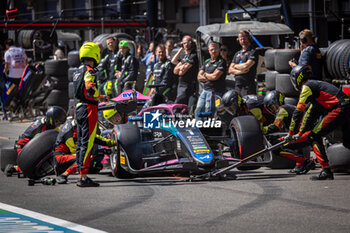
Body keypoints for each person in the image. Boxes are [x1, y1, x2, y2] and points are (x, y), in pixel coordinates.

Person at [284, 65, 350, 180]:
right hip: (346, 107)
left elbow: (298, 112)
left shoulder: (307, 87)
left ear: (297, 78)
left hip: (341, 108)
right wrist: (299, 134)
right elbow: (309, 116)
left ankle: (326, 171)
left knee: (314, 136)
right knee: (348, 142)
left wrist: (290, 132)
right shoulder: (316, 90)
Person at [263, 90, 315, 174]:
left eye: (272, 107)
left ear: (277, 102)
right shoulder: (289, 107)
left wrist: (261, 129)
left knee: (277, 146)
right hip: (306, 133)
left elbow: (275, 127)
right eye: (270, 109)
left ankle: (306, 162)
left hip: (306, 134)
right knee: (290, 140)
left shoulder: (283, 109)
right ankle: (300, 164)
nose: (272, 110)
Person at [4, 106, 66, 176]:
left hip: (39, 147)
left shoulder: (53, 127)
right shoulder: (39, 127)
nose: (59, 125)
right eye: (58, 122)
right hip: (24, 147)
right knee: (28, 170)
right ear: (52, 120)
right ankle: (14, 167)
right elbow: (23, 143)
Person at [53, 119, 116, 184]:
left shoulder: (76, 127)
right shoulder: (70, 134)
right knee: (84, 158)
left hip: (68, 156)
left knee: (95, 160)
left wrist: (114, 143)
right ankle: (63, 175)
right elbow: (76, 151)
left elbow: (95, 138)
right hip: (61, 157)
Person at [74, 42, 101, 187]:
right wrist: (99, 95)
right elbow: (90, 89)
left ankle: (80, 172)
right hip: (89, 108)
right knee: (88, 142)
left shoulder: (77, 70)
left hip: (78, 107)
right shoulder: (89, 71)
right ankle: (83, 177)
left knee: (80, 142)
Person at [195, 41, 226, 118]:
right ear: (209, 50)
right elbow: (199, 77)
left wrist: (205, 74)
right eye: (212, 49)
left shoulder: (221, 62)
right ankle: (199, 128)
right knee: (198, 111)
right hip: (204, 90)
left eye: (215, 49)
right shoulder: (206, 62)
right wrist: (209, 76)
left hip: (214, 92)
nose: (213, 51)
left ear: (219, 50)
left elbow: (215, 77)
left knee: (208, 112)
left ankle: (208, 129)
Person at [228, 31, 258, 96]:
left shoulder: (253, 52)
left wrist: (235, 66)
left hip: (248, 85)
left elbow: (246, 66)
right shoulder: (237, 53)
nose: (242, 40)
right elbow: (230, 69)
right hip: (237, 85)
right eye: (240, 39)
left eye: (244, 38)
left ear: (248, 38)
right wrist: (240, 71)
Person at [172, 35, 199, 105]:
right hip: (180, 86)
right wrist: (181, 49)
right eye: (184, 43)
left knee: (179, 105)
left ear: (192, 43)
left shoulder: (193, 55)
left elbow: (181, 73)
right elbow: (175, 70)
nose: (186, 45)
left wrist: (179, 68)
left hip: (188, 86)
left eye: (188, 42)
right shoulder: (186, 56)